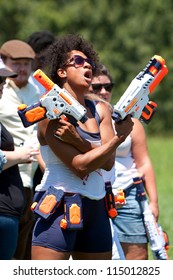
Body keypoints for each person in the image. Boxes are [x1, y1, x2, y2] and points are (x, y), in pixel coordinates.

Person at [31, 33, 134, 260]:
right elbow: (80, 166)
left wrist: (78, 141)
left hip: (96, 206)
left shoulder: (100, 110)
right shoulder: (51, 112)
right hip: (58, 205)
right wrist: (117, 139)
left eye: (89, 62)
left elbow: (106, 163)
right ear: (61, 72)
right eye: (78, 61)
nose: (87, 64)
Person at [90, 64, 159, 260]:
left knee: (136, 259)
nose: (103, 92)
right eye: (97, 87)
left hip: (127, 195)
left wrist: (153, 203)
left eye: (108, 87)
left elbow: (144, 162)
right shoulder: (80, 118)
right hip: (93, 195)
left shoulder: (129, 119)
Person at [0, 39, 44, 260]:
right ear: (4, 62)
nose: (22, 68)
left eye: (27, 63)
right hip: (6, 177)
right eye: (16, 63)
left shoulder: (38, 91)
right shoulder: (1, 90)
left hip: (34, 177)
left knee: (26, 247)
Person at [26, 30, 56, 188]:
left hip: (42, 145)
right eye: (42, 58)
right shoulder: (23, 79)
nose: (45, 62)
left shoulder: (46, 81)